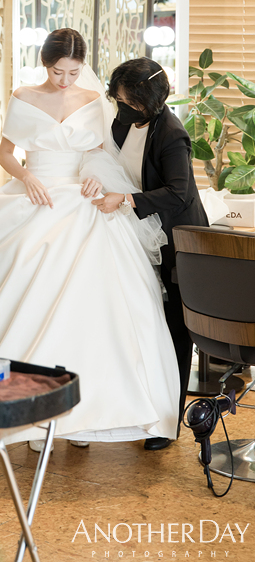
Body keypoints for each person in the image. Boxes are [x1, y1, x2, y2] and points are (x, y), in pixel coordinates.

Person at [0, 29, 179, 450]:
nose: (66, 80)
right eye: (57, 72)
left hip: (81, 201)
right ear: (45, 64)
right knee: (30, 299)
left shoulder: (93, 99)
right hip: (34, 196)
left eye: (73, 72)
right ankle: (35, 417)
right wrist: (28, 177)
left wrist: (93, 175)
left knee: (90, 307)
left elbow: (99, 152)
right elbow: (5, 153)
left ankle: (81, 420)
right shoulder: (24, 96)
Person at [102, 57, 209, 450]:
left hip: (176, 241)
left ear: (146, 100)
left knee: (175, 330)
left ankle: (168, 421)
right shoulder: (121, 123)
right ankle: (141, 405)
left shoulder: (171, 135)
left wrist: (127, 199)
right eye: (117, 99)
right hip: (139, 235)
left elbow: (179, 192)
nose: (120, 106)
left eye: (126, 100)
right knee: (145, 324)